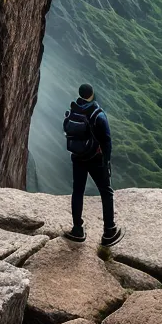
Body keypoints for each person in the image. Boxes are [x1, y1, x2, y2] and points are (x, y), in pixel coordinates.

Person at [63, 82, 123, 245]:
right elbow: (107, 141)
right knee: (106, 192)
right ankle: (109, 232)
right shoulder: (98, 114)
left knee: (78, 191)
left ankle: (77, 229)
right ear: (92, 94)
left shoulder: (72, 112)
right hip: (95, 160)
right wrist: (106, 161)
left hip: (78, 158)